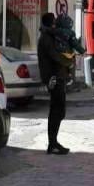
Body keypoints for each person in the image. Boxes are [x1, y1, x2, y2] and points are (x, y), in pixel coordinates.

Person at [37, 12, 70, 155]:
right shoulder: (46, 38)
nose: (56, 24)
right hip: (54, 78)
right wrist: (69, 60)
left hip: (56, 77)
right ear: (51, 24)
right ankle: (52, 143)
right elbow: (55, 57)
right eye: (54, 22)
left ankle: (53, 143)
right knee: (57, 110)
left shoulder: (48, 37)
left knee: (57, 110)